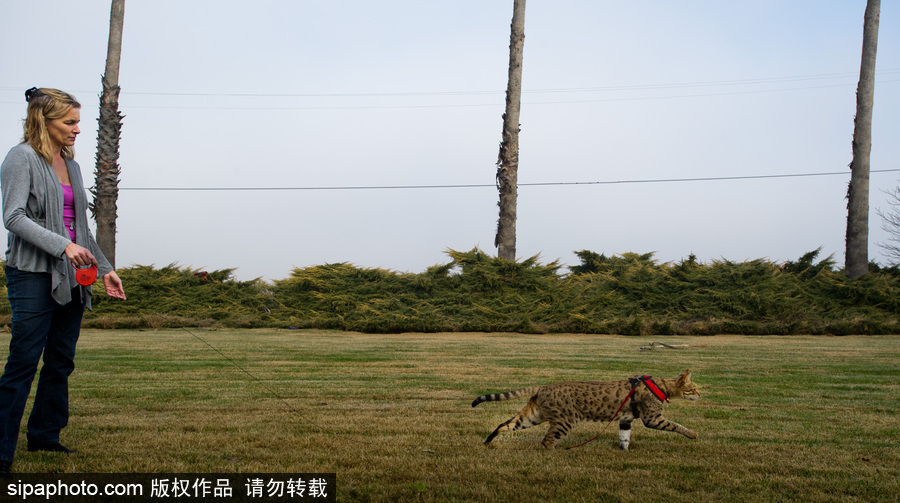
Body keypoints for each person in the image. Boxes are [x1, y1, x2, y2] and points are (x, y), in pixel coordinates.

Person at [0, 87, 126, 476]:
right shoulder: (21, 157)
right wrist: (63, 246)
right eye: (70, 122)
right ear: (45, 120)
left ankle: (45, 436)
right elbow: (13, 217)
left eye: (77, 122)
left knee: (60, 360)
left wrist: (104, 268)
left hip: (73, 276)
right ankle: (2, 452)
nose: (77, 129)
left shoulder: (71, 165)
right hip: (32, 273)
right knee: (23, 361)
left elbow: (80, 228)